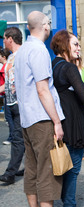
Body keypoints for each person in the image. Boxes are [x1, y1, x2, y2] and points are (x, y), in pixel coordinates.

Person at [14, 11, 77, 207]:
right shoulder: (40, 50)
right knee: (47, 169)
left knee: (31, 166)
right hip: (41, 118)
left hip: (27, 119)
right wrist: (57, 121)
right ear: (46, 25)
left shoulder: (20, 53)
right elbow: (43, 90)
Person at [51, 30, 84, 207]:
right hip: (73, 124)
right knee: (73, 168)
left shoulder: (53, 65)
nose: (79, 48)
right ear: (65, 46)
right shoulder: (69, 68)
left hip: (61, 121)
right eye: (75, 44)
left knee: (63, 167)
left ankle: (62, 205)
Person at [0, 28, 25, 185]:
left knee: (18, 139)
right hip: (11, 104)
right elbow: (9, 84)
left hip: (20, 105)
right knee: (21, 139)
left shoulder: (22, 56)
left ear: (10, 39)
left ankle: (10, 173)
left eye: (4, 38)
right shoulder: (10, 59)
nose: (3, 42)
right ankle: (27, 167)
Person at [0, 46, 11, 142]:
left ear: (3, 57)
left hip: (8, 95)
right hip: (5, 94)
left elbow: (5, 83)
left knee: (9, 118)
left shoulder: (5, 68)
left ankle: (12, 137)